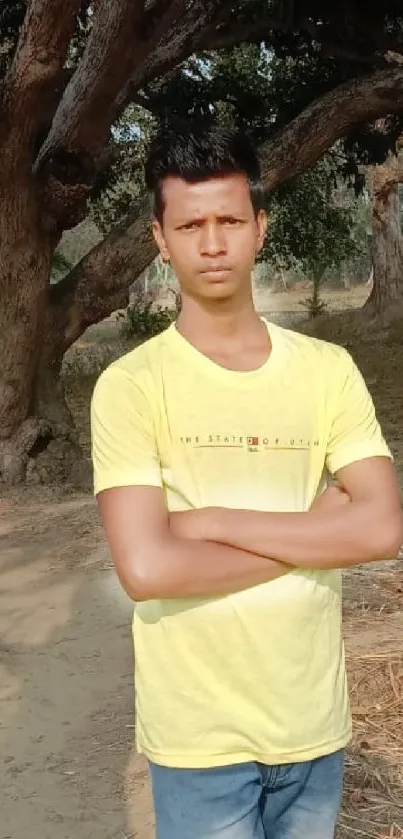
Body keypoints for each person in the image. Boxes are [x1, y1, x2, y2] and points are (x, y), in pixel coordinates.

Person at [91, 122, 402, 839]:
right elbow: (146, 567)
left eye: (228, 219)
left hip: (312, 724)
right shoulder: (131, 386)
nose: (211, 242)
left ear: (259, 227)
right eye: (189, 224)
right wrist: (321, 528)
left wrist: (210, 520)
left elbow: (381, 528)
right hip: (200, 737)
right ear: (160, 239)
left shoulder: (327, 372)